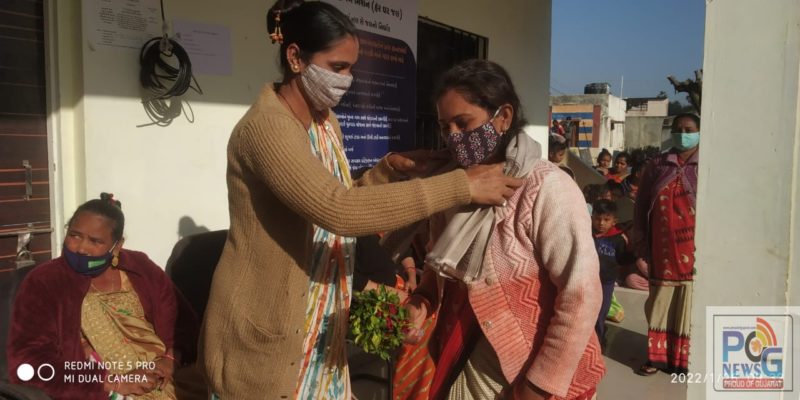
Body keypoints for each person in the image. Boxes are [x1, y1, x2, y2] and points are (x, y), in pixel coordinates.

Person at [199, 2, 523, 399]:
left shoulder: (323, 122)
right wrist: (458, 186)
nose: (346, 80)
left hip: (319, 319)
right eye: (337, 67)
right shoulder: (267, 128)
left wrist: (390, 169)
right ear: (295, 58)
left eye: (351, 68)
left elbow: (342, 195)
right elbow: (336, 210)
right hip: (270, 329)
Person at [404, 59, 604, 400]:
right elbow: (437, 272)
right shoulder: (453, 187)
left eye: (463, 122)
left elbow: (581, 293)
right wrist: (422, 302)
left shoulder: (547, 188)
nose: (453, 136)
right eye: (444, 127)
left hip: (532, 367)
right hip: (461, 346)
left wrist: (540, 384)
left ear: (504, 117)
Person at [7, 193, 199, 399]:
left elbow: (184, 326)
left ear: (117, 246)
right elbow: (28, 363)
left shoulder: (140, 268)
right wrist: (112, 383)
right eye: (74, 235)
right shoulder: (46, 281)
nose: (82, 249)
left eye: (95, 241)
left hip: (168, 379)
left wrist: (170, 360)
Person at [633, 113, 700, 376]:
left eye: (689, 129)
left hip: (694, 250)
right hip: (661, 250)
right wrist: (640, 236)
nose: (683, 133)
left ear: (699, 131)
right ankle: (656, 358)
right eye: (678, 129)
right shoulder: (658, 164)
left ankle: (682, 360)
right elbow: (641, 204)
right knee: (660, 300)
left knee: (687, 302)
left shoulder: (707, 163)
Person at [590, 199, 629, 345]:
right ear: (592, 217)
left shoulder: (618, 239)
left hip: (606, 282)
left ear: (614, 221)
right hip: (589, 279)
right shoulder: (586, 233)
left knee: (601, 311)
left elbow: (623, 259)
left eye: (606, 220)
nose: (601, 223)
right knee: (588, 310)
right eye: (597, 219)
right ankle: (589, 340)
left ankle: (598, 340)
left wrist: (633, 252)